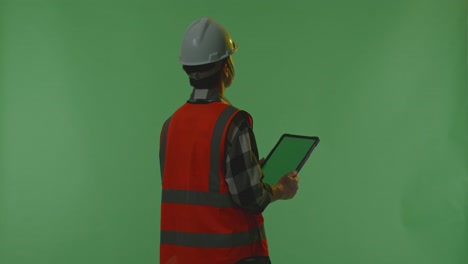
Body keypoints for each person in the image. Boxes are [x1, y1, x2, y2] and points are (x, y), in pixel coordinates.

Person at [159, 17, 299, 264]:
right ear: (225, 67)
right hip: (231, 257)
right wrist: (280, 190)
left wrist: (253, 170)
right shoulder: (232, 123)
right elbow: (251, 198)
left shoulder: (170, 126)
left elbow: (199, 186)